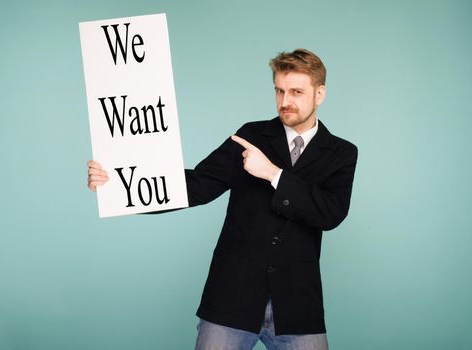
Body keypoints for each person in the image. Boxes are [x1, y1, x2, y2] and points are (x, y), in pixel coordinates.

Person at [87, 48, 358, 350]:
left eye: (296, 92)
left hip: (297, 304)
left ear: (319, 94)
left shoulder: (342, 153)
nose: (285, 101)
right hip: (232, 296)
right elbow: (198, 184)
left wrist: (272, 173)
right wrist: (122, 184)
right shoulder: (251, 136)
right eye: (279, 90)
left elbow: (330, 213)